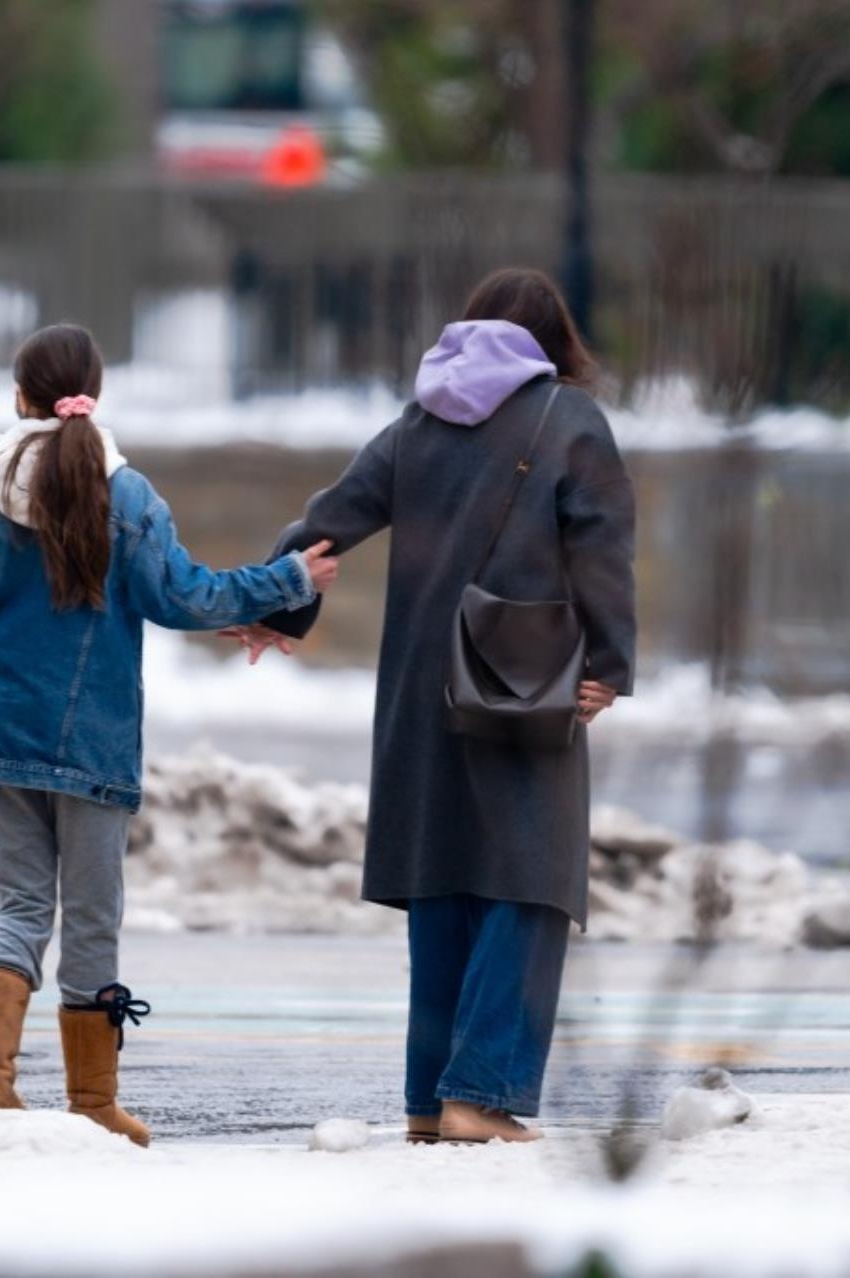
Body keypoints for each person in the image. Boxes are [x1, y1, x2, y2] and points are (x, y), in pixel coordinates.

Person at [225, 268, 635, 1144]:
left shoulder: (418, 423)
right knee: (530, 879)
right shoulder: (570, 420)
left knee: (445, 879)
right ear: (555, 340)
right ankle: (477, 1098)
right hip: (526, 684)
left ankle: (427, 1098)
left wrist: (275, 603)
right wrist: (609, 662)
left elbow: (330, 517)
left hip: (421, 683)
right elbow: (602, 547)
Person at [0, 323, 339, 1147]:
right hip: (95, 742)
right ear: (95, 394)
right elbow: (182, 596)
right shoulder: (126, 494)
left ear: (20, 397)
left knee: (16, 910)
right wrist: (285, 583)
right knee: (90, 917)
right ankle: (91, 1106)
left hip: (5, 735)